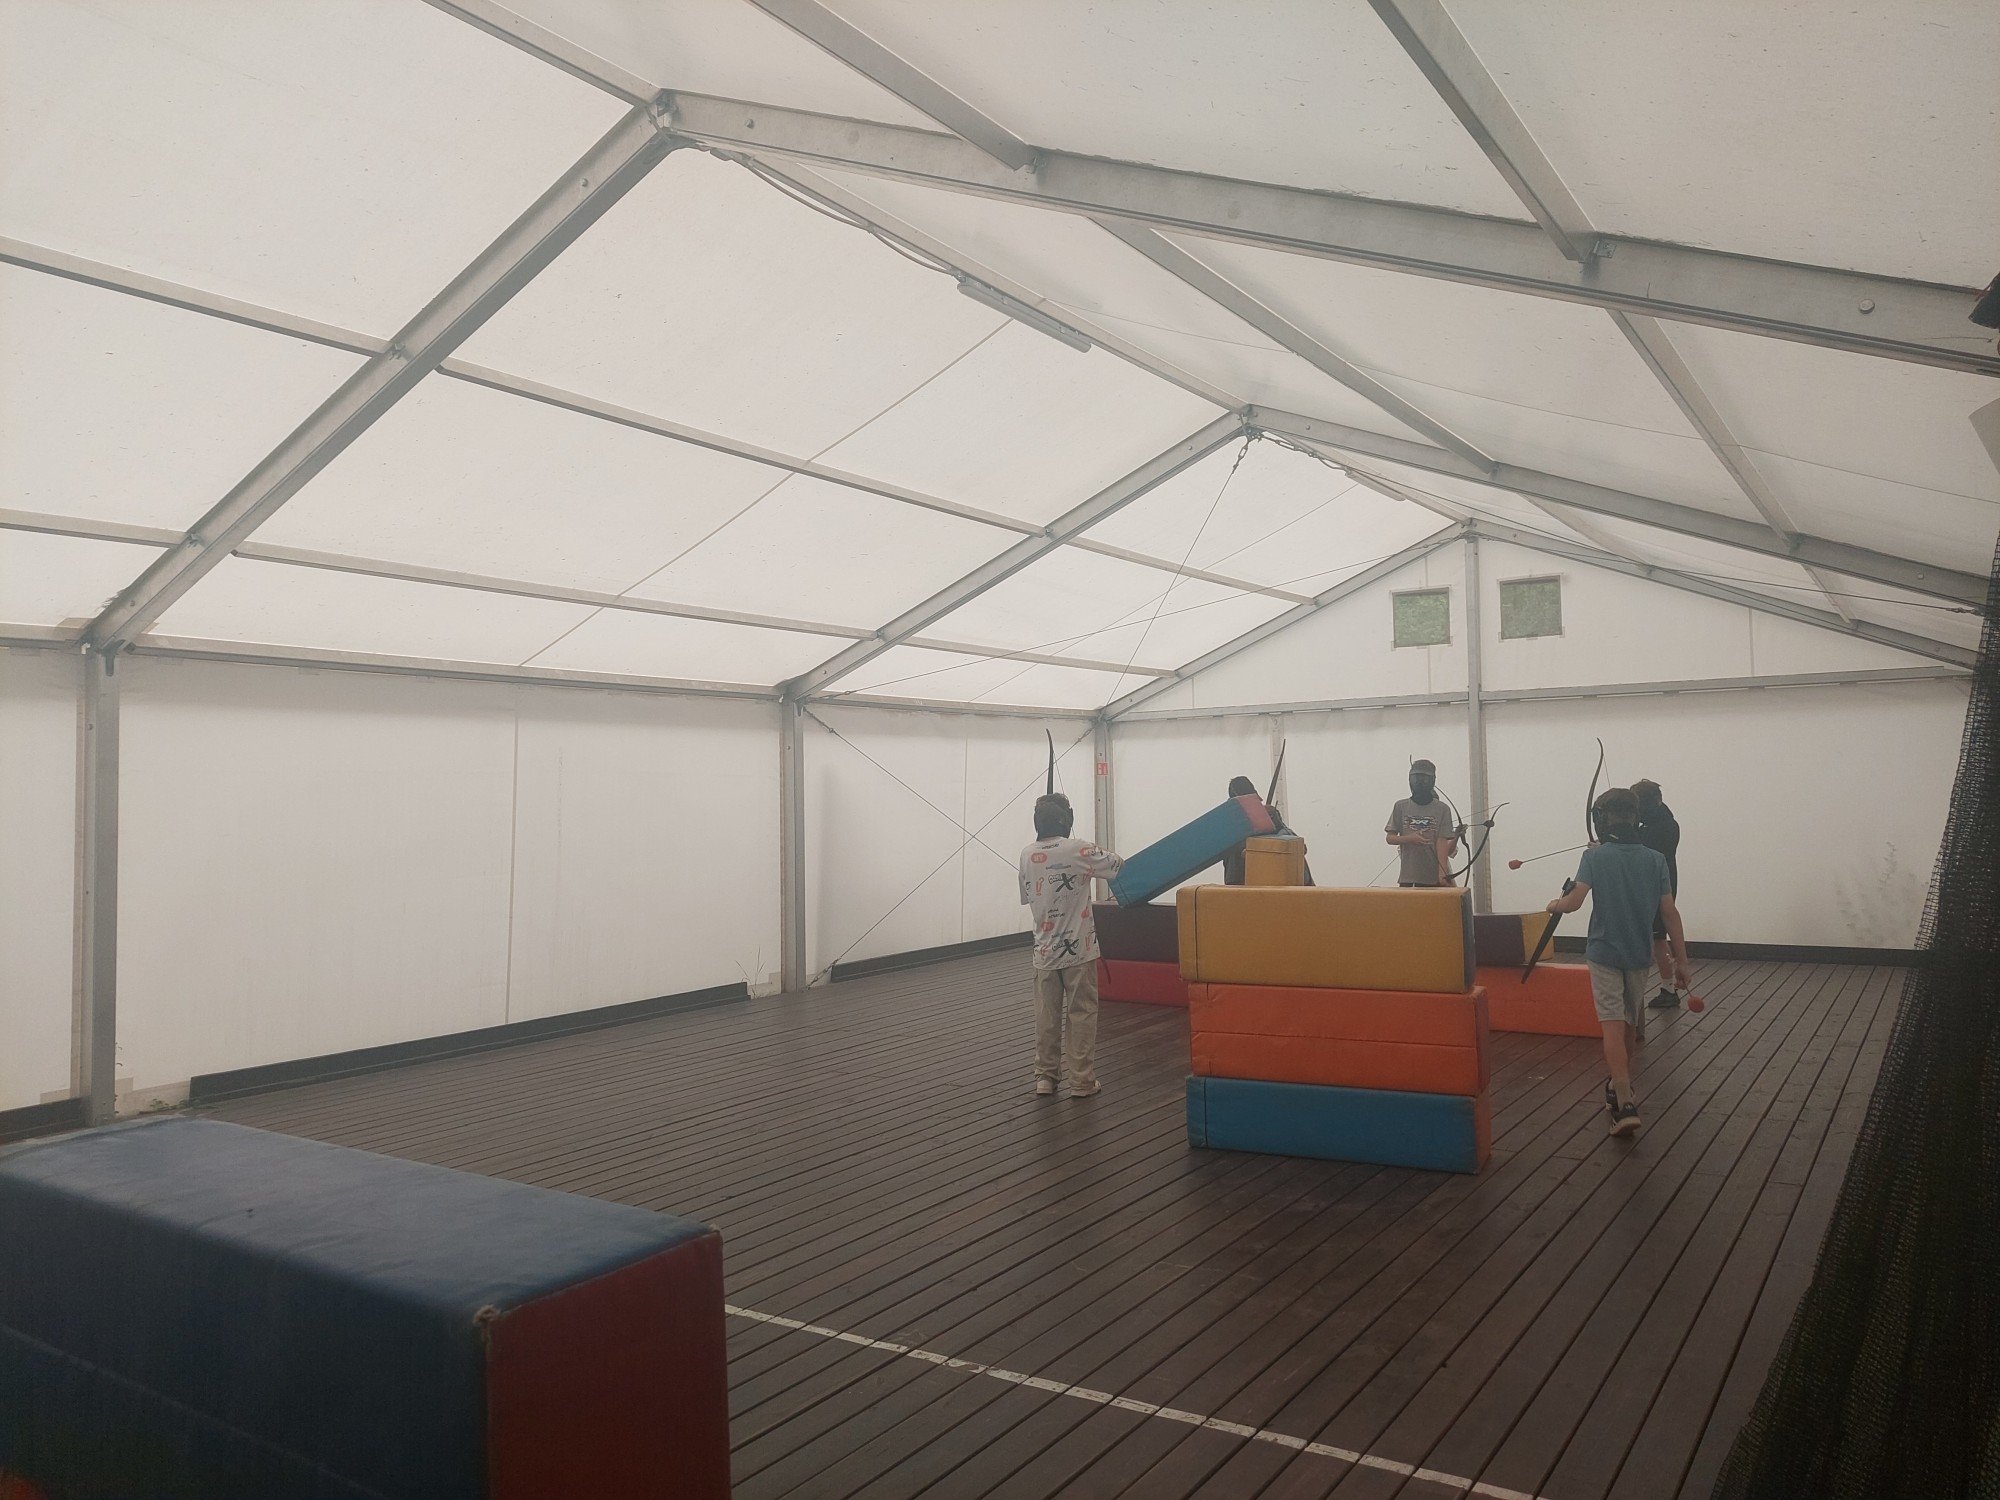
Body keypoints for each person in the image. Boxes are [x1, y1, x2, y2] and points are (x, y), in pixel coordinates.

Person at [1544, 787, 1691, 1137]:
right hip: (1638, 954)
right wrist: (1682, 961)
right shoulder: (1655, 859)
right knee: (1627, 1024)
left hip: (1604, 952)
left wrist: (1554, 904)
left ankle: (1623, 1101)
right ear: (1634, 817)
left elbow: (1574, 903)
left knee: (1612, 1025)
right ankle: (1619, 1084)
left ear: (1602, 819)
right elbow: (1669, 913)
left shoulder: (1594, 858)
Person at [1019, 790, 1124, 1098]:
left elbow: (1027, 896)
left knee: (1046, 1016)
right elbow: (1116, 865)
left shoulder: (1026, 854)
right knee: (1082, 1013)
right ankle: (1081, 1081)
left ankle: (1045, 1077)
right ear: (1066, 821)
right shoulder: (1078, 849)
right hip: (1079, 949)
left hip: (1043, 953)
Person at [1633, 778, 1685, 1008]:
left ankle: (1668, 989)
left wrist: (1606, 847)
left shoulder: (1666, 826)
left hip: (1660, 887)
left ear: (1656, 800)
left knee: (1657, 938)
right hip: (1650, 886)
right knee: (1656, 938)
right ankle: (1666, 988)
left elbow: (1640, 851)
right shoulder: (1650, 822)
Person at [1221, 775, 1313, 886]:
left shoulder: (1274, 821)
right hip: (1249, 888)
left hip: (1284, 886)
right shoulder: (1232, 836)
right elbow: (1233, 880)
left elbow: (1298, 845)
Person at [1384, 759, 1458, 888]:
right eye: (1416, 779)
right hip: (1408, 878)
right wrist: (1409, 838)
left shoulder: (1443, 809)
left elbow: (1442, 844)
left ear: (1432, 781)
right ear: (1410, 780)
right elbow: (1390, 838)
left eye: (1424, 779)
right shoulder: (1400, 806)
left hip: (1433, 880)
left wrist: (1442, 874)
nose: (1420, 783)